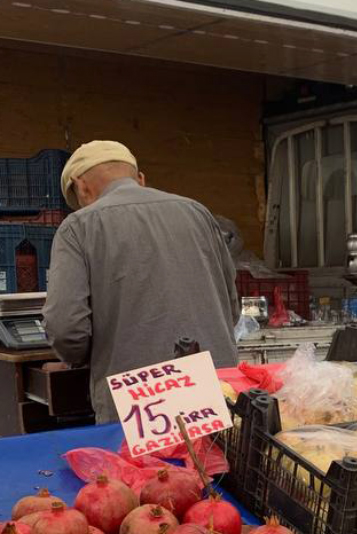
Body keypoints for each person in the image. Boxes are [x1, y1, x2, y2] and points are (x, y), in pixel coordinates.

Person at [43, 141, 240, 423]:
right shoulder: (197, 212)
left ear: (81, 186)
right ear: (140, 179)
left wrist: (81, 357)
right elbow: (230, 307)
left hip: (139, 408)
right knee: (214, 464)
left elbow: (65, 328)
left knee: (151, 469)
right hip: (216, 393)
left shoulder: (79, 227)